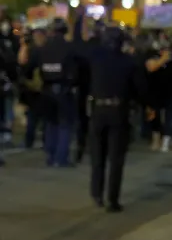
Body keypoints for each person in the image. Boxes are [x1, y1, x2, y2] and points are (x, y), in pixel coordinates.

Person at [85, 26, 147, 212]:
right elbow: (139, 89)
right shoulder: (128, 62)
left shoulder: (95, 58)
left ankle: (97, 193)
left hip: (97, 109)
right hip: (118, 111)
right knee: (116, 158)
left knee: (98, 156)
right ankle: (112, 199)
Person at [26, 19, 78, 167]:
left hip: (46, 89)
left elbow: (29, 69)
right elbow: (76, 71)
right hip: (63, 89)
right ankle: (61, 159)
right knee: (64, 124)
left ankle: (50, 155)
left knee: (51, 123)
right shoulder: (69, 48)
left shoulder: (42, 49)